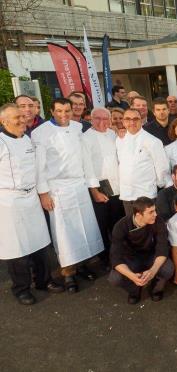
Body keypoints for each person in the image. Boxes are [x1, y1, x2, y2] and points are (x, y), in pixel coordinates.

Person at [32, 98, 104, 293]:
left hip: (79, 185)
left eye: (67, 111)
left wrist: (93, 188)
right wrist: (43, 193)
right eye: (59, 111)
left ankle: (82, 265)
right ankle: (68, 272)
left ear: (73, 111)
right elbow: (39, 167)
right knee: (64, 234)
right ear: (51, 111)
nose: (63, 115)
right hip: (57, 188)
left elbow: (85, 159)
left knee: (84, 230)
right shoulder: (41, 132)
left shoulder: (77, 127)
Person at [0, 103, 64, 305]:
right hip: (9, 201)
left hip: (31, 198)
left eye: (22, 116)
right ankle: (21, 289)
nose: (22, 120)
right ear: (3, 121)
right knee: (16, 248)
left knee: (40, 242)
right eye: (16, 118)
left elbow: (37, 171)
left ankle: (44, 280)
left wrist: (42, 193)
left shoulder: (27, 140)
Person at [108, 197, 174, 304]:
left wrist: (153, 271)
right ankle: (134, 290)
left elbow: (162, 248)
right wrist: (131, 276)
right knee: (115, 278)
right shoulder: (121, 226)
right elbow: (115, 257)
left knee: (168, 269)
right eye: (151, 212)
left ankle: (156, 288)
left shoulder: (158, 221)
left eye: (155, 210)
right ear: (138, 214)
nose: (155, 214)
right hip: (131, 258)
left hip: (152, 255)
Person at [83, 108, 125, 267]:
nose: (102, 122)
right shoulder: (85, 138)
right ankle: (106, 258)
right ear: (91, 119)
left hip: (117, 185)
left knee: (117, 222)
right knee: (103, 224)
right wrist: (95, 191)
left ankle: (119, 255)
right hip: (100, 186)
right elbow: (87, 167)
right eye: (97, 119)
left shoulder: (112, 134)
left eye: (105, 119)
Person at [116, 108, 170, 216]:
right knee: (132, 227)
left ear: (141, 120)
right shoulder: (119, 139)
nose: (132, 122)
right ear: (123, 121)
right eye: (128, 119)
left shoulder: (153, 141)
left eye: (135, 119)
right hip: (126, 194)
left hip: (146, 194)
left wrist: (159, 184)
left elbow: (162, 166)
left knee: (148, 227)